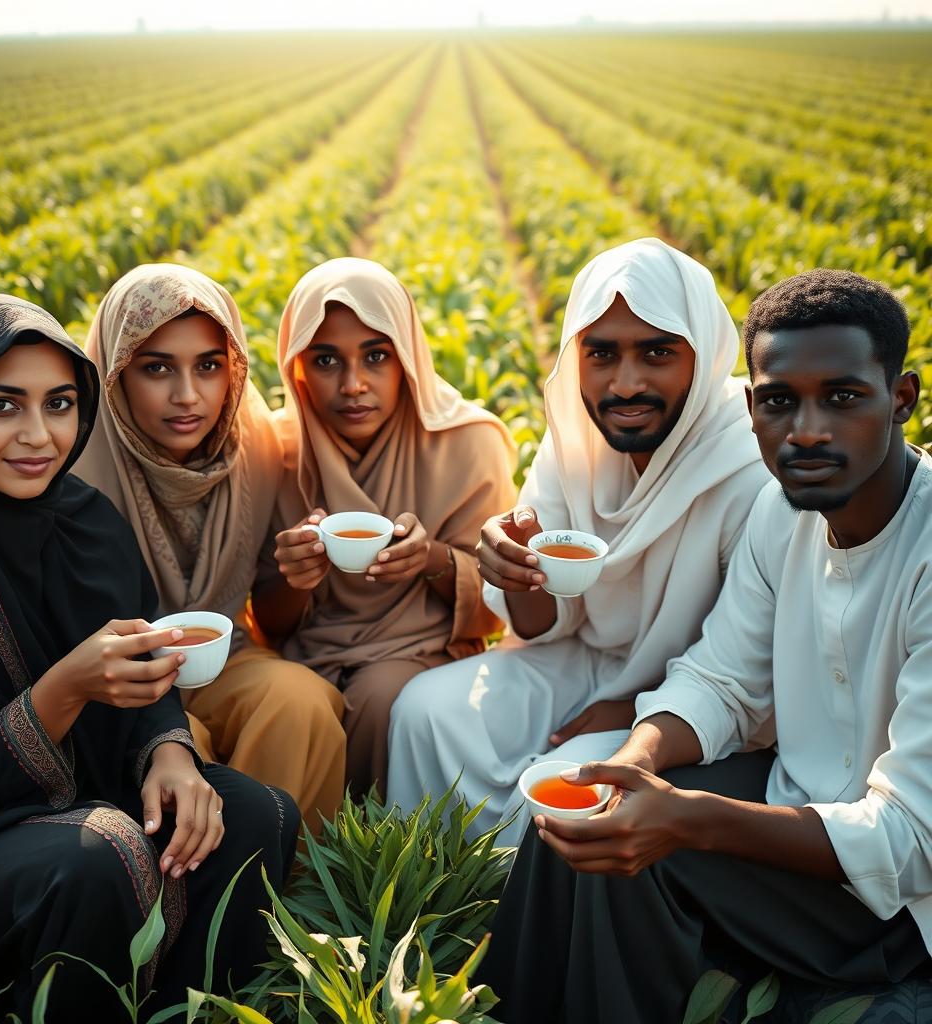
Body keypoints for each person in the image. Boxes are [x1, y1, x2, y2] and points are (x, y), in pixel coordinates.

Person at [480, 269, 932, 1023]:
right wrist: (633, 763)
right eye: (781, 402)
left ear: (903, 399)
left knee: (642, 857)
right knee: (580, 808)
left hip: (898, 907)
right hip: (796, 809)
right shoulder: (779, 513)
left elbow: (911, 838)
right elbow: (720, 680)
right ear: (751, 407)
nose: (809, 430)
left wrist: (686, 819)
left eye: (844, 397)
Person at [0, 295, 299, 1024]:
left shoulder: (84, 520)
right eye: (2, 407)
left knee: (254, 815)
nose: (39, 436)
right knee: (106, 851)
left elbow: (145, 664)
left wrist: (172, 756)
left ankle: (187, 1010)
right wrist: (62, 690)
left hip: (75, 795)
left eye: (59, 404)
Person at [387, 238, 770, 844]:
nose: (624, 384)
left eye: (657, 352)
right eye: (601, 353)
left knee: (554, 783)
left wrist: (635, 706)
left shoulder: (746, 471)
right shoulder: (577, 447)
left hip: (695, 702)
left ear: (703, 353)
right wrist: (515, 569)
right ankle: (425, 882)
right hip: (588, 660)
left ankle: (518, 918)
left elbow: (750, 664)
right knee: (426, 710)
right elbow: (547, 624)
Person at [74, 263, 345, 833]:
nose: (187, 396)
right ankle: (181, 904)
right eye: (156, 369)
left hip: (223, 655)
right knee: (175, 746)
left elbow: (270, 613)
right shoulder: (75, 461)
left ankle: (279, 886)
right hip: (113, 680)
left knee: (299, 703)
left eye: (209, 366)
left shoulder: (258, 446)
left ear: (234, 369)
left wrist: (297, 576)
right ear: (115, 371)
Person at [251, 257, 517, 797]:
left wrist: (432, 560)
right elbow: (271, 625)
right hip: (310, 652)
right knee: (298, 697)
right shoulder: (275, 451)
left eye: (376, 356)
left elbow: (496, 611)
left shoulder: (467, 444)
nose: (353, 385)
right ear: (297, 368)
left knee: (381, 696)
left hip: (423, 646)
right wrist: (294, 576)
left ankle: (373, 864)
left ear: (409, 360)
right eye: (326, 360)